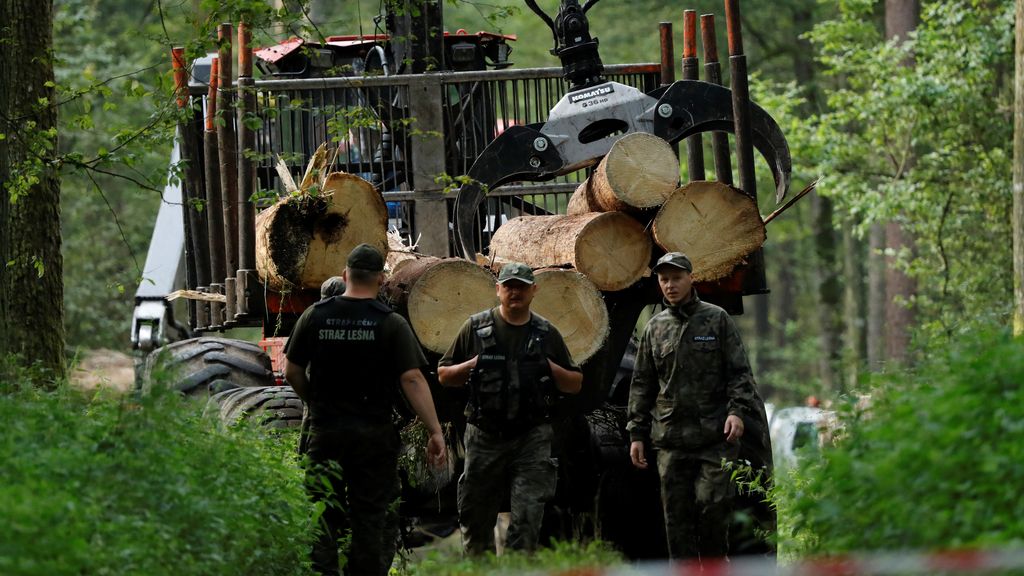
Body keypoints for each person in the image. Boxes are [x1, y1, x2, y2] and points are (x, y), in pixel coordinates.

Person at [284, 243, 446, 576]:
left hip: (326, 434)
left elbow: (292, 370)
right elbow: (413, 379)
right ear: (381, 278)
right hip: (373, 438)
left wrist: (313, 402)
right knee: (370, 518)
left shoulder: (315, 316)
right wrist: (434, 430)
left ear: (345, 276)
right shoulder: (390, 324)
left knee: (322, 514)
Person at [627, 252, 770, 561]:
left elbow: (740, 372)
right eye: (664, 280)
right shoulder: (655, 328)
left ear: (690, 279)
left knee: (712, 509)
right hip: (671, 441)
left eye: (676, 278)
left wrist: (737, 412)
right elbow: (642, 385)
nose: (670, 286)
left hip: (715, 439)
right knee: (676, 520)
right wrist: (636, 433)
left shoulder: (717, 318)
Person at [437, 261, 583, 555]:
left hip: (531, 437)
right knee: (476, 522)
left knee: (528, 522)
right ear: (498, 290)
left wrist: (548, 367)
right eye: (509, 286)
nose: (514, 292)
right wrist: (473, 365)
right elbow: (444, 375)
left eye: (521, 286)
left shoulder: (545, 332)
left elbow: (575, 383)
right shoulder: (476, 327)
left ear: (533, 290)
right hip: (484, 436)